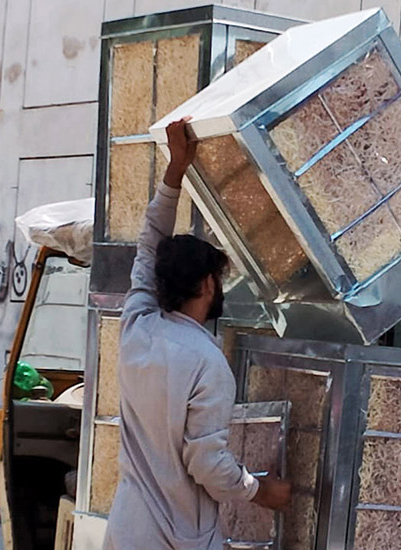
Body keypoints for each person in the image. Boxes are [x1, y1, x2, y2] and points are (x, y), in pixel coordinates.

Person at [103, 117, 291, 550]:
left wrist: (177, 168)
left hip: (126, 530)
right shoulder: (207, 363)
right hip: (174, 539)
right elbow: (207, 463)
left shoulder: (137, 326)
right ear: (208, 284)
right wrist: (261, 491)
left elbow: (149, 244)